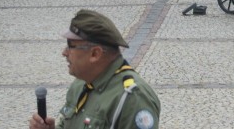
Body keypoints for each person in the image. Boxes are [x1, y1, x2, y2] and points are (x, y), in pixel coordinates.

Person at [28, 9, 160, 129]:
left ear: (95, 54)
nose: (64, 52)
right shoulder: (81, 84)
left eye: (70, 46)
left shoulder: (132, 98)